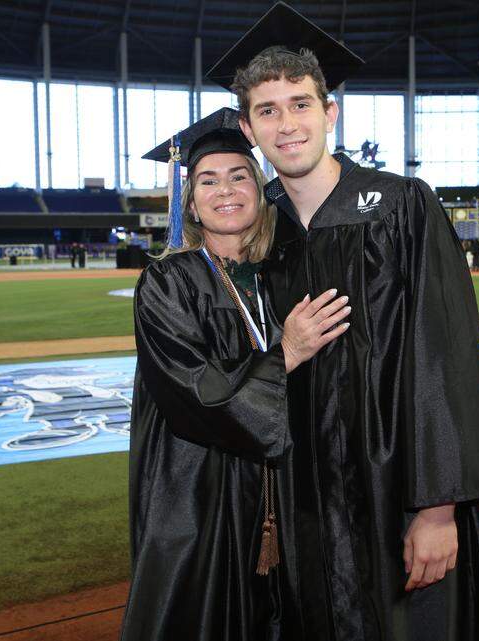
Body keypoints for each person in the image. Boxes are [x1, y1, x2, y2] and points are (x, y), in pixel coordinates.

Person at [209, 4, 479, 640]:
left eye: (300, 104)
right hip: (301, 497)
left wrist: (436, 508)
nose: (286, 124)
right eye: (267, 111)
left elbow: (445, 356)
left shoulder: (402, 207)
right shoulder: (258, 231)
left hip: (393, 486)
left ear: (330, 112)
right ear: (248, 127)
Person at [120, 108, 351, 641]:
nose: (225, 190)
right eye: (208, 180)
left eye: (239, 175)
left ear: (260, 188)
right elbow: (193, 393)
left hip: (283, 492)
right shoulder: (167, 282)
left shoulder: (280, 278)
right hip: (198, 496)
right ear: (192, 202)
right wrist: (286, 353)